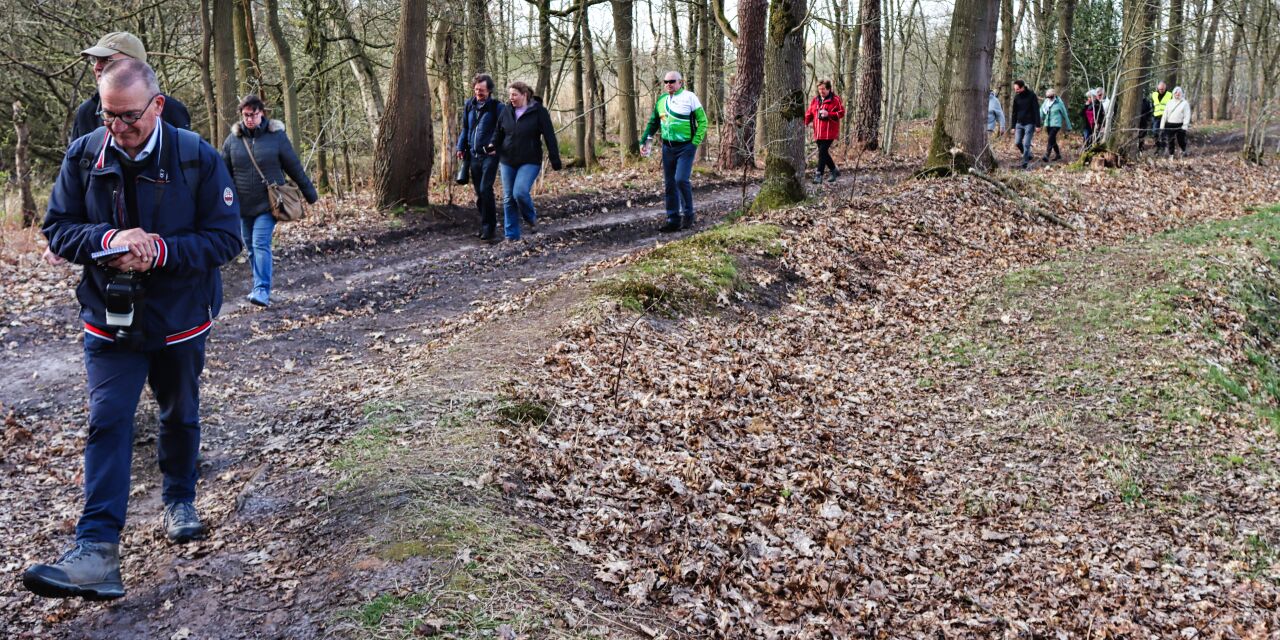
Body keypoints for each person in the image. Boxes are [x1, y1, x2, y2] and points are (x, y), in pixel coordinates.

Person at [25, 59, 242, 600]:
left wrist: (159, 252)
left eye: (129, 117)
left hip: (180, 318)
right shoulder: (84, 153)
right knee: (108, 421)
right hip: (108, 318)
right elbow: (58, 230)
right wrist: (110, 242)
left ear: (157, 106)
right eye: (107, 115)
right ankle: (97, 549)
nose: (117, 128)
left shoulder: (197, 157)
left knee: (179, 411)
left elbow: (225, 240)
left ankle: (179, 499)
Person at [221, 95, 318, 307]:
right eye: (245, 115)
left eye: (253, 114)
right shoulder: (232, 141)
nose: (249, 119)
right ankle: (258, 285)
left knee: (260, 242)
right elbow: (223, 175)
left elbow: (294, 167)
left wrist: (310, 194)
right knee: (251, 247)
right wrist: (220, 203)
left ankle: (261, 290)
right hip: (243, 206)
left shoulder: (276, 137)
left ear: (261, 113)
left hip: (269, 204)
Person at [70, 32, 190, 143]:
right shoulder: (87, 112)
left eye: (106, 60)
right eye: (95, 60)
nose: (97, 67)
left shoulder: (171, 110)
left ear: (136, 64)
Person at [491, 81, 561, 241]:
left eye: (514, 95)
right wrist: (492, 145)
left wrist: (554, 158)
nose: (511, 98)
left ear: (525, 95)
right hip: (507, 160)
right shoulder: (506, 111)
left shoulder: (539, 112)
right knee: (508, 198)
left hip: (530, 160)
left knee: (520, 192)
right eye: (510, 95)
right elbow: (498, 133)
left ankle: (530, 218)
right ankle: (511, 236)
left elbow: (550, 136)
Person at [641, 71, 709, 232]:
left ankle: (689, 214)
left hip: (686, 146)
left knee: (680, 179)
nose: (668, 84)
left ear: (680, 82)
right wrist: (645, 142)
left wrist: (694, 143)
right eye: (665, 81)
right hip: (667, 148)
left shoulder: (689, 97)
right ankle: (673, 219)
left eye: (672, 81)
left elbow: (703, 121)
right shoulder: (661, 100)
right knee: (670, 184)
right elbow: (653, 123)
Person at [456, 74, 505, 241]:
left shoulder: (497, 107)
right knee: (479, 193)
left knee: (485, 189)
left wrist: (495, 146)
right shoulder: (469, 105)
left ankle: (489, 227)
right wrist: (460, 147)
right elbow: (465, 128)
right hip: (473, 155)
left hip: (490, 156)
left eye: (482, 90)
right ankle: (486, 223)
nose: (478, 93)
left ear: (489, 90)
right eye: (476, 89)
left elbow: (504, 130)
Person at [803, 79, 846, 183]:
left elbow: (841, 113)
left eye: (823, 89)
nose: (821, 91)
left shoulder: (835, 99)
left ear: (829, 89)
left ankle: (819, 175)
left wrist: (829, 114)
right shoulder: (815, 100)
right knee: (824, 153)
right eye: (819, 89)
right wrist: (804, 123)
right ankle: (834, 170)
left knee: (822, 152)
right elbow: (809, 113)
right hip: (818, 132)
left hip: (829, 132)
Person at [1010, 79, 1041, 170]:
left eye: (1017, 89)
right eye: (1015, 89)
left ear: (1023, 87)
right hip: (1019, 123)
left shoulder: (1032, 95)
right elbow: (1014, 113)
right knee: (1018, 142)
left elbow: (1036, 110)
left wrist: (1038, 125)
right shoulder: (1016, 98)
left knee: (1026, 144)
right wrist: (1013, 126)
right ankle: (1028, 154)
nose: (1016, 91)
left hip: (1030, 123)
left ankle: (1025, 163)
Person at [1039, 88, 1072, 162]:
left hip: (1056, 124)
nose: (1049, 98)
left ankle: (1047, 155)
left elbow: (1065, 114)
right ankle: (1058, 155)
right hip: (1048, 123)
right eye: (1048, 97)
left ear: (1054, 95)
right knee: (1052, 140)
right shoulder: (1046, 102)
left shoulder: (1059, 102)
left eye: (1050, 96)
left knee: (1050, 138)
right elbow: (1041, 111)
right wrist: (1038, 121)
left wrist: (1068, 126)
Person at [1159, 86, 1192, 157]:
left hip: (1180, 125)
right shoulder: (1169, 102)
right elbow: (1164, 115)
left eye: (1179, 93)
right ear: (1173, 93)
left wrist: (1185, 126)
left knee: (1181, 140)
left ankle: (1184, 150)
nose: (1177, 94)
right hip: (1169, 124)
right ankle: (1171, 154)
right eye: (1176, 92)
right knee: (1170, 140)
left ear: (1181, 94)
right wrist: (1162, 126)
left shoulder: (1185, 103)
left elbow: (1187, 115)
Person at [1150, 81, 1173, 152]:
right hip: (1156, 117)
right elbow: (1152, 105)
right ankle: (1158, 147)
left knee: (1164, 134)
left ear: (1165, 88)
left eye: (1162, 89)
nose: (1161, 91)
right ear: (1157, 88)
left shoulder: (1170, 95)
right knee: (1154, 132)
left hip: (1166, 117)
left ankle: (1163, 148)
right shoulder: (1154, 94)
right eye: (1159, 89)